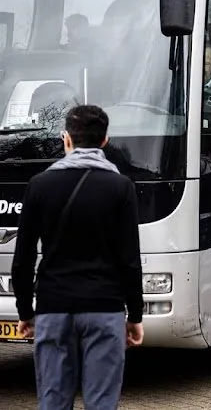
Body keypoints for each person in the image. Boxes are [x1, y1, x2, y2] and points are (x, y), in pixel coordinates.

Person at [11, 105, 144, 409]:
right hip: (104, 309)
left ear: (66, 140)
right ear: (105, 141)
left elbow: (24, 258)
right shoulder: (121, 187)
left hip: (53, 308)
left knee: (53, 402)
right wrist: (134, 315)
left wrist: (25, 311)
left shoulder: (39, 185)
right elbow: (129, 260)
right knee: (101, 402)